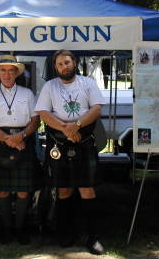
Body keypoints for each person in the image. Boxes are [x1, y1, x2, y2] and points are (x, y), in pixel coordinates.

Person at [34, 49, 106, 255]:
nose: (64, 67)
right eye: (59, 64)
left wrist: (77, 125)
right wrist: (66, 129)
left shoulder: (88, 83)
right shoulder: (50, 86)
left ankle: (93, 238)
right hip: (59, 139)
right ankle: (67, 233)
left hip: (84, 138)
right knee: (64, 190)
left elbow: (96, 109)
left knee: (87, 190)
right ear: (55, 67)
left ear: (74, 62)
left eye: (67, 62)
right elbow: (44, 113)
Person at [0, 55, 41, 245]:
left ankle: (20, 229)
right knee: (3, 191)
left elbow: (35, 121)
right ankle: (7, 230)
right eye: (3, 70)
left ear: (16, 73)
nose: (7, 74)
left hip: (24, 140)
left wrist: (21, 136)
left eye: (10, 70)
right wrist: (9, 139)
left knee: (24, 191)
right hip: (1, 142)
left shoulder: (28, 94)